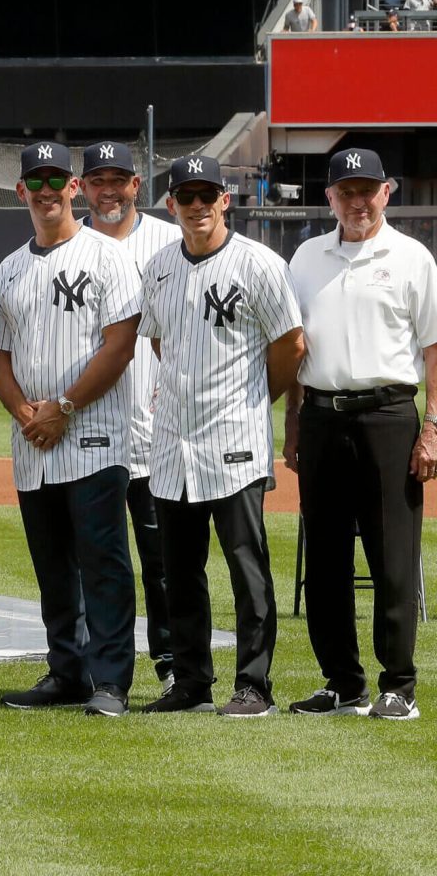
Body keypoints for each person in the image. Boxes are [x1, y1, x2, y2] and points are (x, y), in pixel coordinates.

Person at [138, 155, 304, 717]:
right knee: (179, 573)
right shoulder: (159, 266)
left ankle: (254, 685)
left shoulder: (259, 263)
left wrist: (254, 399)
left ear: (225, 200)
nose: (198, 205)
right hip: (172, 444)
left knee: (246, 568)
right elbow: (160, 341)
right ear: (172, 205)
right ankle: (191, 683)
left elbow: (291, 345)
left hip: (234, 440)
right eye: (187, 196)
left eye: (208, 194)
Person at [0, 142, 140, 716]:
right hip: (34, 443)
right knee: (53, 568)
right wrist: (25, 412)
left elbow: (119, 346)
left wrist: (65, 407)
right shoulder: (10, 267)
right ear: (21, 191)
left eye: (57, 180)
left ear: (74, 188)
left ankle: (111, 681)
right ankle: (67, 671)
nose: (47, 190)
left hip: (94, 435)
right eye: (36, 181)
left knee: (103, 563)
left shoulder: (108, 255)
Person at [285, 148, 436, 720]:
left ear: (386, 192)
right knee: (325, 558)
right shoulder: (306, 257)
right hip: (322, 416)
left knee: (392, 554)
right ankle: (343, 684)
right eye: (345, 191)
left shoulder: (412, 257)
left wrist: (432, 427)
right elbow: (295, 347)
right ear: (329, 197)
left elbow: (434, 349)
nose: (357, 202)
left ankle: (399, 684)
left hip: (388, 414)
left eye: (367, 190)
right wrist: (294, 422)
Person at [81, 140, 180, 692]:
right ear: (82, 187)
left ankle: (171, 664)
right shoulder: (69, 243)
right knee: (92, 559)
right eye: (98, 180)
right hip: (88, 432)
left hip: (156, 430)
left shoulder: (168, 243)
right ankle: (86, 667)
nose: (108, 190)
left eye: (118, 180)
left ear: (136, 185)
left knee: (162, 559)